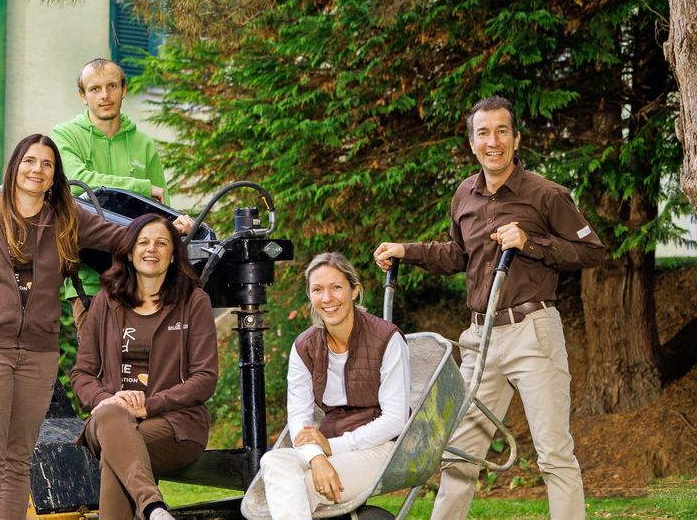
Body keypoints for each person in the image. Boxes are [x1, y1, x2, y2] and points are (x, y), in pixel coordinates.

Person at [374, 96, 605, 520]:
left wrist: (531, 243)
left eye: (502, 131)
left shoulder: (547, 195)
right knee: (459, 455)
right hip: (479, 339)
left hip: (531, 332)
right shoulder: (465, 193)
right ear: (472, 142)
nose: (493, 141)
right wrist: (406, 250)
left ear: (517, 139)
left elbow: (592, 251)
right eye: (483, 133)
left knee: (554, 453)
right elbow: (457, 254)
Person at [0, 134, 127, 519]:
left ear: (55, 177)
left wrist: (169, 229)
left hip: (38, 354)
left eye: (47, 164)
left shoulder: (65, 219)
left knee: (19, 458)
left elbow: (119, 236)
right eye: (30, 161)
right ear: (15, 166)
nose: (37, 170)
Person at [71, 214, 219, 520]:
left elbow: (204, 378)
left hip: (176, 424)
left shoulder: (193, 302)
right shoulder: (105, 302)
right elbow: (83, 373)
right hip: (111, 419)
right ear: (128, 251)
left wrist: (149, 406)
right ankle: (153, 506)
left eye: (162, 243)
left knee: (118, 457)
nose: (152, 249)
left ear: (173, 254)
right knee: (113, 417)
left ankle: (152, 509)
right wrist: (107, 400)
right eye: (143, 242)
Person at [257, 252, 410, 519]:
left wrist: (333, 448)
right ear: (310, 296)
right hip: (327, 442)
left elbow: (395, 419)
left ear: (354, 291)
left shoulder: (386, 338)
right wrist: (317, 458)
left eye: (336, 287)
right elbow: (299, 420)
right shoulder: (305, 347)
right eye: (318, 290)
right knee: (273, 461)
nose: (327, 299)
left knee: (298, 489)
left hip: (380, 446)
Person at [52, 58, 192, 330]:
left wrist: (180, 227)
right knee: (98, 365)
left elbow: (162, 214)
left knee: (144, 367)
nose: (105, 95)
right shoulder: (65, 136)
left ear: (124, 90)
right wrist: (141, 186)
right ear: (83, 95)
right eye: (95, 89)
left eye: (112, 86)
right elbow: (79, 182)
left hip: (144, 282)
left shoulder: (143, 144)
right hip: (91, 279)